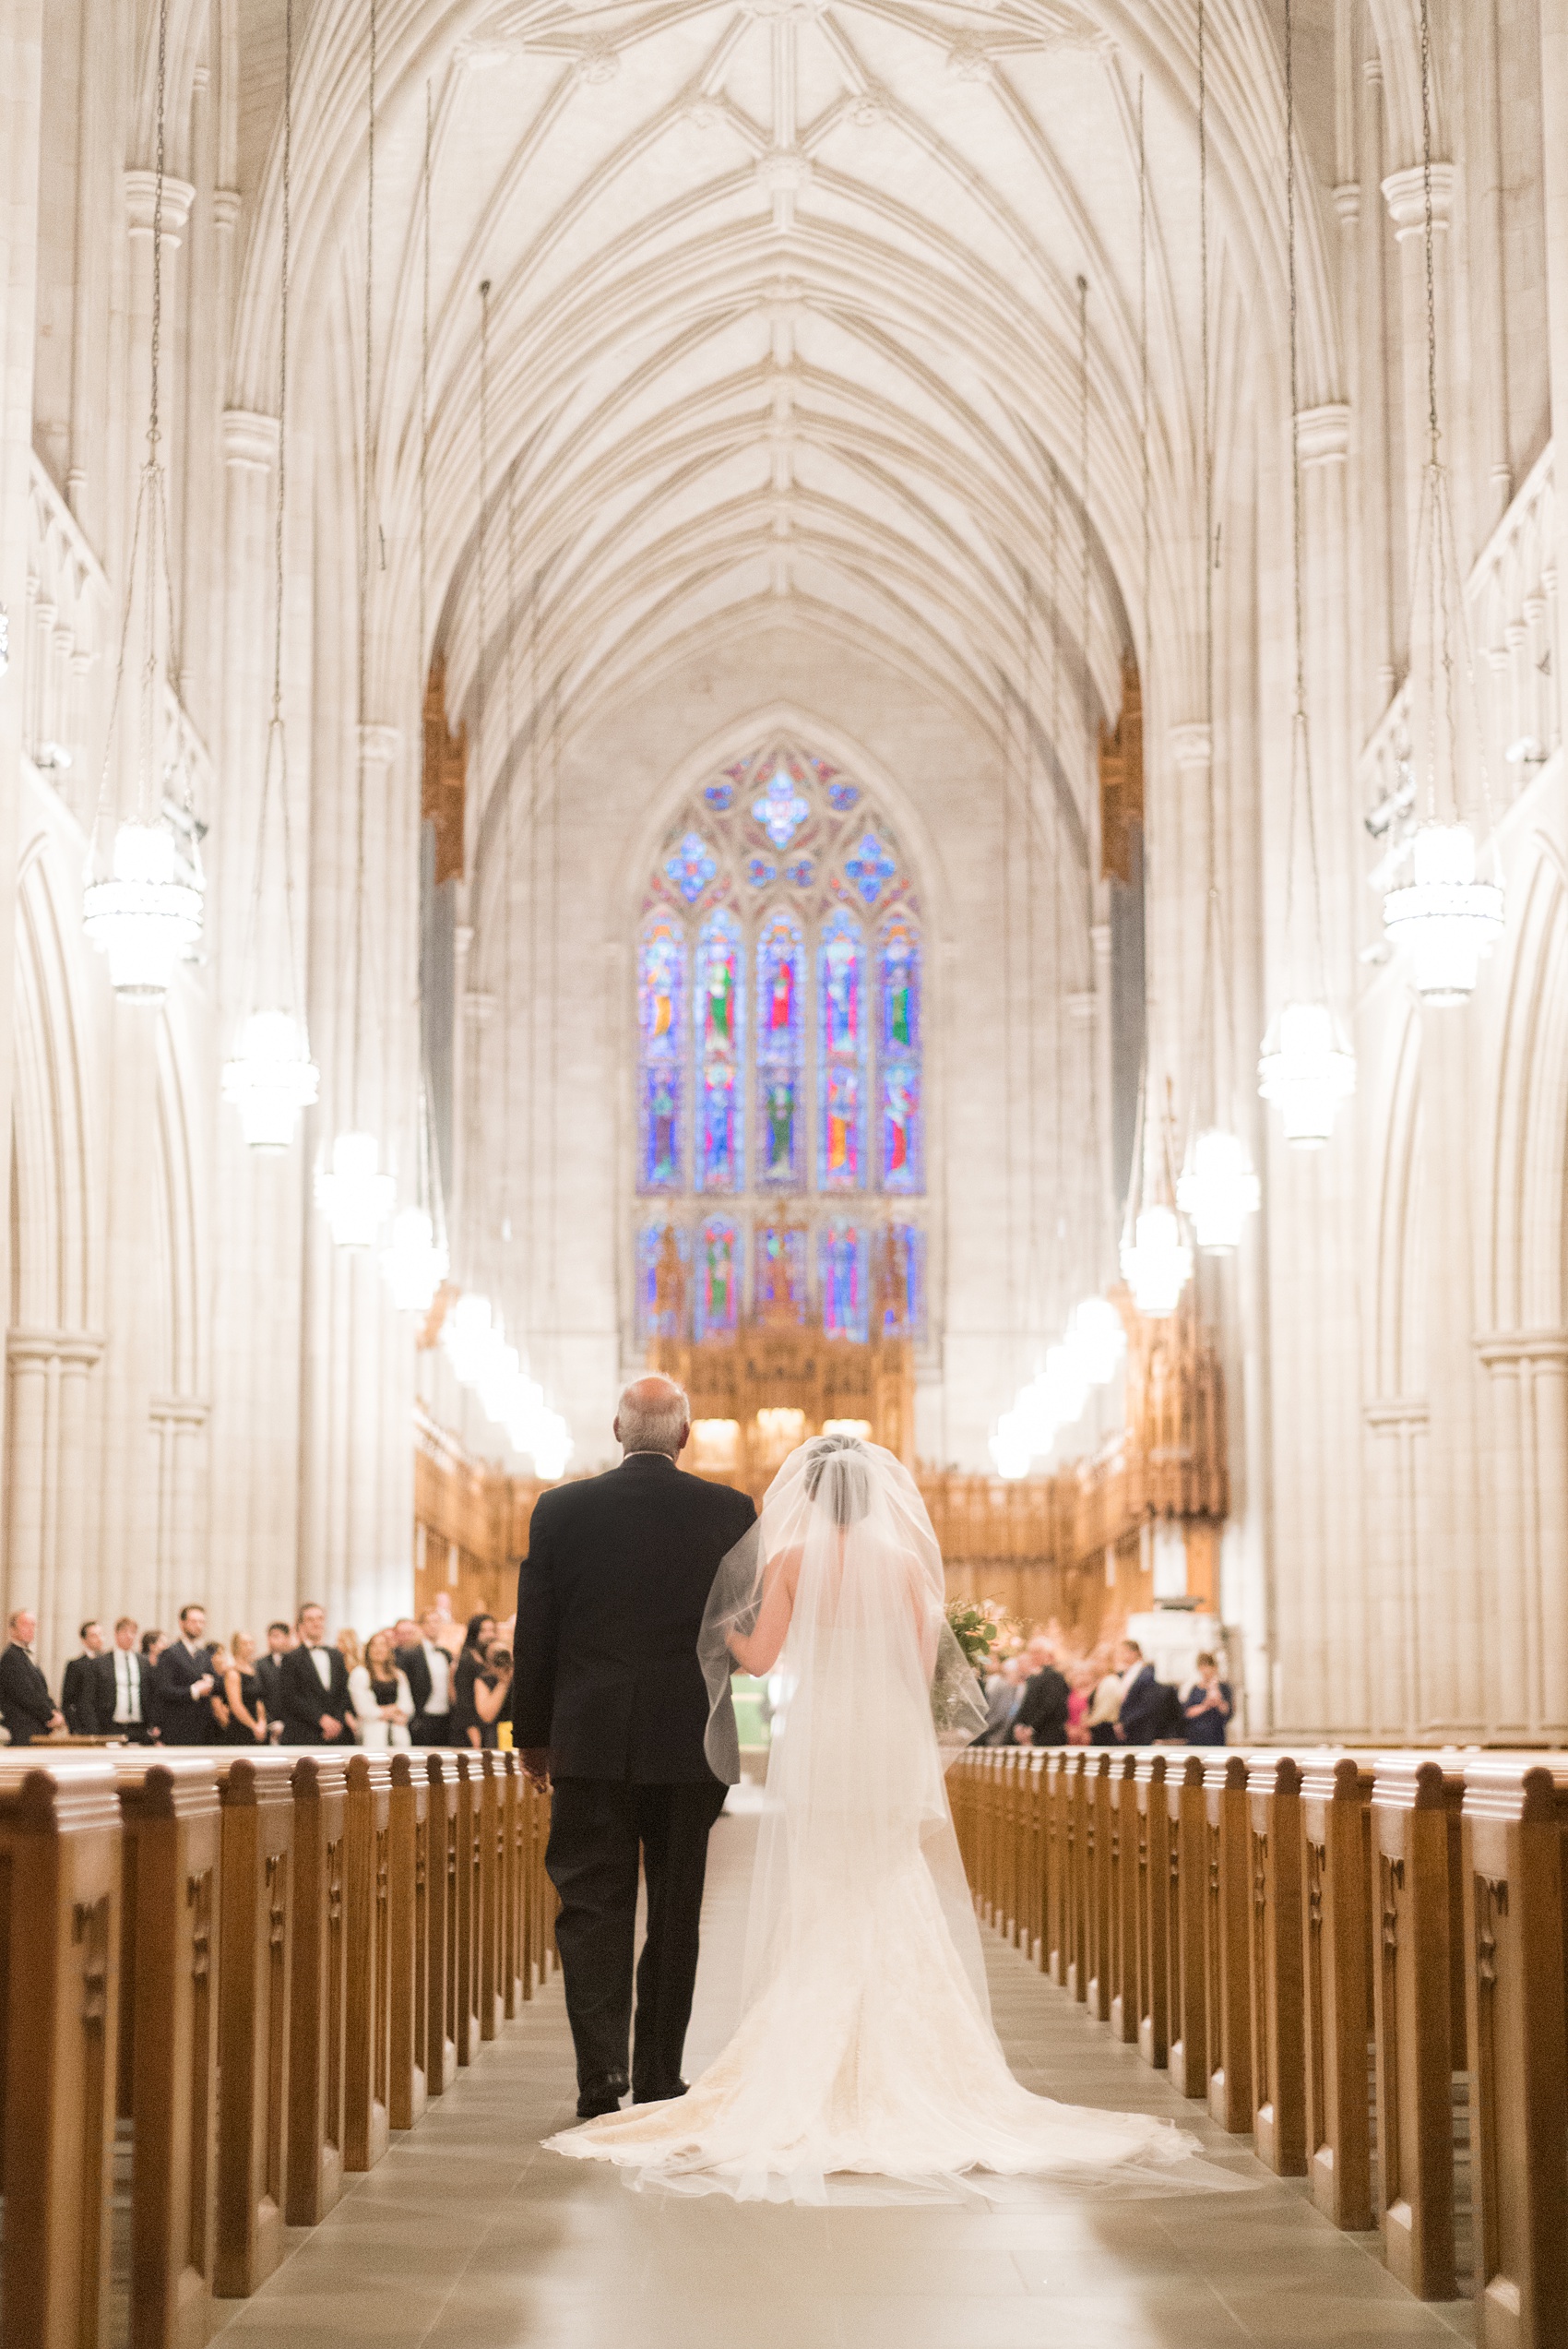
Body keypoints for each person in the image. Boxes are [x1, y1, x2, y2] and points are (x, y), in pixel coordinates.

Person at [545, 1433, 1224, 2200]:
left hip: (826, 1736)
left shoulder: (790, 1562)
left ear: (809, 1496)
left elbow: (760, 1660)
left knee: (825, 1876)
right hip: (885, 1734)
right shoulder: (903, 1564)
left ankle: (808, 2064)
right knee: (888, 1872)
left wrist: (710, 1631)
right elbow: (926, 1660)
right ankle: (923, 2066)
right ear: (876, 1498)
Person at [514, 1373, 756, 2118]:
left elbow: (537, 1630)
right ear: (686, 1436)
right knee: (677, 1909)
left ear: (616, 1432)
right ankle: (658, 2074)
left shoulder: (561, 1510)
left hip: (588, 1740)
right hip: (689, 1740)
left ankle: (599, 2079)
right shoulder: (730, 1511)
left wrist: (533, 1736)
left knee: (591, 1905)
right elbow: (738, 1631)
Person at [278, 1604, 352, 1745]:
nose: (316, 1623)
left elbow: (344, 1692)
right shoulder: (291, 1658)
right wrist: (321, 1719)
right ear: (301, 1625)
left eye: (320, 1618)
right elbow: (290, 1697)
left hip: (337, 1734)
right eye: (310, 1619)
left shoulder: (337, 1655)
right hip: (304, 1733)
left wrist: (336, 1721)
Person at [154, 1604, 219, 1744]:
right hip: (178, 1727)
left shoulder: (204, 1654)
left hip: (202, 1726)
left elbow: (217, 1683)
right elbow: (164, 1689)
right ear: (182, 1623)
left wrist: (211, 1682)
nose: (198, 1626)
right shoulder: (170, 1653)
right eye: (194, 1621)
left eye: (202, 1622)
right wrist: (194, 1690)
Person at [0, 1608, 63, 1745]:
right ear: (12, 1629)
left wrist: (56, 1712)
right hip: (23, 1729)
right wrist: (50, 1715)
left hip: (36, 1728)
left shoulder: (24, 1656)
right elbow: (27, 1695)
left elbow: (42, 1692)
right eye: (25, 1624)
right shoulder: (11, 1657)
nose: (30, 1629)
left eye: (33, 1625)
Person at [91, 1616, 156, 1742]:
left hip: (139, 1727)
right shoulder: (101, 1662)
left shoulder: (143, 1662)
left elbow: (150, 1693)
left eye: (132, 1632)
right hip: (111, 1726)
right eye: (125, 1632)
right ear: (116, 1634)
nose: (129, 1636)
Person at [350, 1628, 414, 1749]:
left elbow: (408, 1706)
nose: (378, 1649)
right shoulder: (360, 1674)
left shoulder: (398, 1675)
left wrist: (395, 1712)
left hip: (398, 1731)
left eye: (383, 1645)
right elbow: (363, 1709)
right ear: (368, 1649)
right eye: (374, 1645)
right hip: (372, 1733)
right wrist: (391, 1711)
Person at [398, 1608, 455, 1745]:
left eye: (436, 1622)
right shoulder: (410, 1654)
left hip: (445, 1717)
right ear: (421, 1626)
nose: (433, 1626)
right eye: (429, 1622)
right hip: (422, 1718)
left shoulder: (446, 1654)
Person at [1113, 1639, 1173, 1746]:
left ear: (1134, 1652)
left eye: (1124, 1652)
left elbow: (1146, 1705)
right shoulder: (1124, 1674)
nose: (1121, 1656)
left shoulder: (1146, 1673)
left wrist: (1126, 1723)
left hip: (1138, 1728)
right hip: (1123, 1726)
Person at [1013, 1637, 1070, 1748]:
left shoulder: (1054, 1677)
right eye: (1032, 1653)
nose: (1034, 1656)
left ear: (1048, 1654)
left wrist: (1032, 1727)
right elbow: (1026, 1704)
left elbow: (1050, 1705)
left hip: (1048, 1734)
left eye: (1038, 1652)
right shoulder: (1032, 1677)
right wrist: (1019, 1725)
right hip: (1030, 1733)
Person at [452, 1614, 498, 1749]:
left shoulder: (490, 1658)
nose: (489, 1635)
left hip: (488, 1723)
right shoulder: (467, 1658)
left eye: (492, 1630)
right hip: (470, 1727)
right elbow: (463, 1697)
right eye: (484, 1631)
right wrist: (472, 1730)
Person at [222, 1633, 270, 1745]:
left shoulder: (254, 1669)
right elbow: (235, 1705)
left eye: (251, 1643)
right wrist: (253, 1726)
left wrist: (262, 1723)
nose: (249, 1646)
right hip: (240, 1727)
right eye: (245, 1643)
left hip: (257, 1726)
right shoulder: (233, 1672)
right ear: (236, 1647)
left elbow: (258, 1700)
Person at [61, 1620, 106, 1734]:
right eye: (94, 1635)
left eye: (101, 1634)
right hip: (85, 1727)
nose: (99, 1638)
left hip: (107, 1726)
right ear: (84, 1640)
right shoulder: (76, 1665)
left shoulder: (108, 1663)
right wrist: (75, 1727)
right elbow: (67, 1701)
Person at [1183, 1652, 1234, 1747]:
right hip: (1197, 1735)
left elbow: (1228, 1712)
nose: (1205, 1671)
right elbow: (1188, 1713)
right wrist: (1205, 1706)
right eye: (1202, 1667)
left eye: (1208, 1667)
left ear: (1215, 1668)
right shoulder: (1195, 1689)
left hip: (1216, 1735)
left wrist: (1218, 1700)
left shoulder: (1223, 1687)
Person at [255, 1621, 292, 1724]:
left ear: (287, 1638)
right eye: (270, 1636)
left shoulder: (297, 1661)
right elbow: (259, 1696)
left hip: (294, 1723)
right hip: (269, 1721)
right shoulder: (259, 1664)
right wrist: (269, 1721)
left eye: (276, 1636)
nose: (271, 1640)